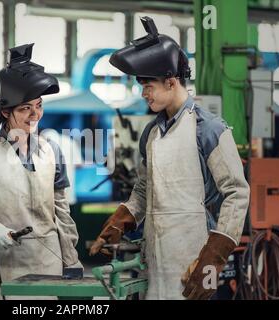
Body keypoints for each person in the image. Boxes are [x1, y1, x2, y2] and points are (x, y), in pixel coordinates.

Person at [89, 17, 250, 300]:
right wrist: (120, 221)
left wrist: (213, 258)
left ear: (171, 81)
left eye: (148, 85)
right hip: (155, 261)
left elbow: (236, 193)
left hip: (195, 264)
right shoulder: (151, 133)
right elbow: (143, 189)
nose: (143, 93)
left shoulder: (209, 129)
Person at [0, 43, 81, 300]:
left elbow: (62, 211)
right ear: (5, 111)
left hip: (49, 260)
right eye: (25, 109)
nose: (35, 115)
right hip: (7, 261)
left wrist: (71, 259)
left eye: (39, 106)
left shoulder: (52, 151)